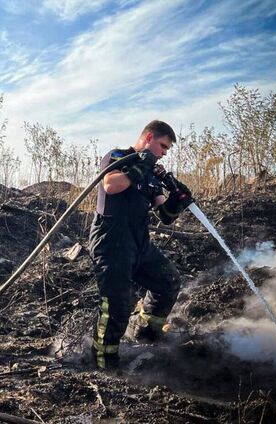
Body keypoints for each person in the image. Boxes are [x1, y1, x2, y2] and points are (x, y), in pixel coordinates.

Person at [89, 120, 192, 370]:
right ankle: (105, 362)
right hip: (111, 240)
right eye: (162, 146)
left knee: (168, 281)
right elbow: (111, 186)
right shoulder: (118, 157)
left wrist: (178, 201)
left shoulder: (150, 175)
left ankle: (146, 333)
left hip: (138, 242)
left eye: (167, 149)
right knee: (117, 303)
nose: (164, 153)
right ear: (148, 138)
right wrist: (142, 163)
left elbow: (163, 215)